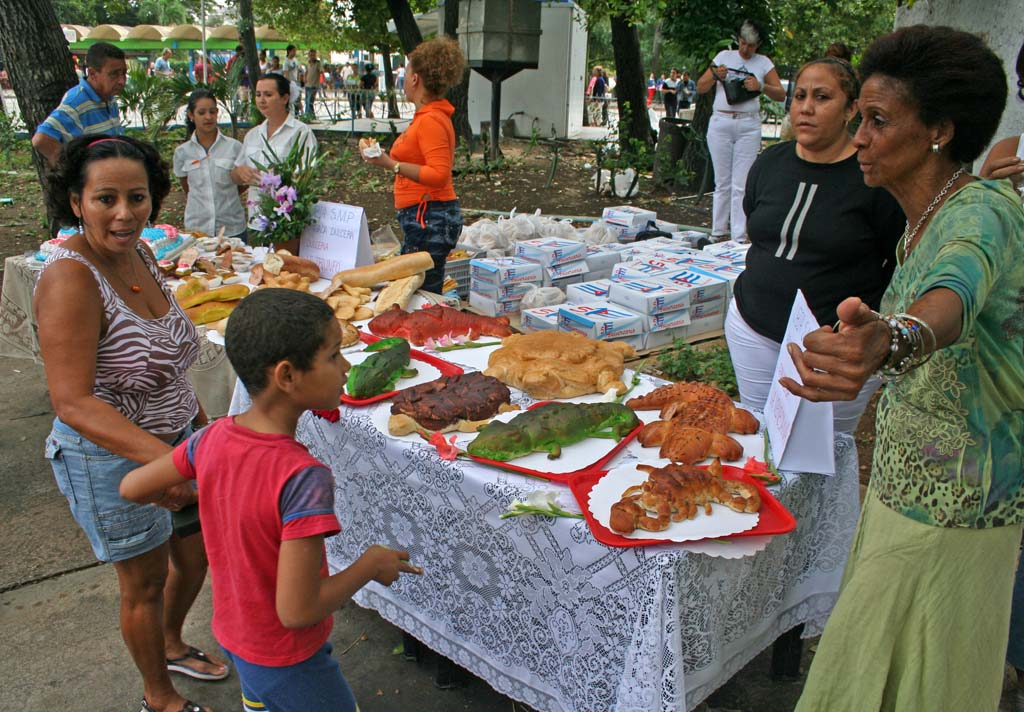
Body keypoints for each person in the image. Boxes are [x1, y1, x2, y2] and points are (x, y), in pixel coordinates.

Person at [779, 26, 1024, 712]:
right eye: (860, 118)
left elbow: (952, 296)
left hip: (959, 508)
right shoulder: (919, 217)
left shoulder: (982, 215)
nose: (858, 137)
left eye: (878, 121)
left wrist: (892, 342)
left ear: (940, 130)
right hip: (903, 489)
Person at [120, 288, 422, 712]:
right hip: (289, 661)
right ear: (287, 376)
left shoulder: (212, 438)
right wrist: (371, 564)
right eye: (334, 355)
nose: (347, 367)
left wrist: (202, 492)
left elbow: (132, 487)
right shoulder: (304, 478)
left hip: (236, 638)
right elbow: (298, 610)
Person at [35, 135, 229, 712]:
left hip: (178, 443)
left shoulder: (138, 253)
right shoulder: (71, 278)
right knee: (143, 583)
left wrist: (203, 429)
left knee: (194, 557)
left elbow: (168, 361)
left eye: (137, 198)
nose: (125, 213)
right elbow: (74, 402)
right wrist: (165, 463)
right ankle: (159, 696)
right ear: (76, 201)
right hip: (111, 459)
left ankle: (170, 643)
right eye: (106, 199)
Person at [725, 57, 904, 434]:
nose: (806, 108)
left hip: (834, 350)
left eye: (822, 97)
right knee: (756, 436)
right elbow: (758, 226)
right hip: (753, 328)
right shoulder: (769, 163)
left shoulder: (873, 180)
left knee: (823, 451)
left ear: (851, 109)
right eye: (799, 96)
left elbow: (895, 261)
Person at [362, 37, 466, 295]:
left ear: (416, 79)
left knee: (420, 294)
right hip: (426, 216)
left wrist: (391, 164)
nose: (404, 80)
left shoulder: (431, 120)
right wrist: (381, 158)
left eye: (407, 72)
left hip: (429, 217)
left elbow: (439, 174)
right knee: (418, 291)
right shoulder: (427, 118)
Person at [697, 20, 786, 242]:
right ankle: (717, 231)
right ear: (738, 40)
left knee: (741, 183)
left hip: (748, 125)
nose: (746, 49)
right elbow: (701, 86)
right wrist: (716, 74)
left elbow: (781, 94)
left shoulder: (764, 63)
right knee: (722, 181)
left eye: (752, 46)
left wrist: (761, 86)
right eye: (743, 43)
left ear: (759, 45)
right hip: (721, 122)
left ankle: (738, 235)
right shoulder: (723, 57)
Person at [231, 73, 317, 242]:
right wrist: (240, 172)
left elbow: (306, 176)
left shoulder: (300, 132)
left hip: (287, 224)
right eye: (258, 95)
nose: (262, 100)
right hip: (257, 222)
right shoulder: (253, 135)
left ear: (284, 98)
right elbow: (235, 175)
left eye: (268, 95)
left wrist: (274, 181)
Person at [32, 42, 126, 165]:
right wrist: (75, 172)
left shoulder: (109, 97)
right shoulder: (77, 102)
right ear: (92, 74)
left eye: (124, 73)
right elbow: (41, 140)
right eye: (114, 74)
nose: (122, 81)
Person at [174, 89, 247, 240]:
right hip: (197, 229)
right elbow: (187, 188)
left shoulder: (234, 147)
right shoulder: (182, 152)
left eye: (212, 112)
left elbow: (242, 183)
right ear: (191, 115)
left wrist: (225, 197)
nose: (208, 117)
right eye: (201, 112)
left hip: (231, 228)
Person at [282, 44, 302, 115]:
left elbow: (298, 71)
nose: (295, 52)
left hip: (296, 82)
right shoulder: (286, 62)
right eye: (293, 51)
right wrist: (289, 82)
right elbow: (286, 73)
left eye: (295, 51)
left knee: (298, 99)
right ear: (289, 51)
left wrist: (299, 81)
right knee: (292, 100)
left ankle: (298, 114)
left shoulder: (295, 60)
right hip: (290, 82)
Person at [304, 49, 323, 119]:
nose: (312, 56)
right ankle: (309, 115)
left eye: (313, 55)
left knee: (310, 101)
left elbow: (321, 72)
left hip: (314, 85)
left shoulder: (318, 63)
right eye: (311, 55)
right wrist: (304, 79)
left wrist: (322, 81)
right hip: (307, 85)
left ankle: (311, 115)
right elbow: (306, 72)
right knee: (307, 101)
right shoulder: (308, 63)